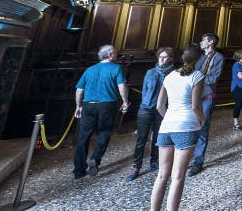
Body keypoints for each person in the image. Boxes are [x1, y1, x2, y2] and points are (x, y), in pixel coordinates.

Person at [150, 45, 205, 211]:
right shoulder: (197, 75)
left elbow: (159, 105)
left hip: (166, 126)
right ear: (199, 59)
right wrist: (202, 120)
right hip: (186, 126)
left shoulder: (169, 76)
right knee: (178, 176)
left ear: (182, 58)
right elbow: (195, 106)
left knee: (161, 175)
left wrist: (170, 117)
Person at [73, 45, 129, 179]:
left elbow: (79, 90)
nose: (117, 55)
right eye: (115, 53)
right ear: (110, 55)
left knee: (83, 137)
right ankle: (95, 158)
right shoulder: (116, 68)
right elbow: (122, 86)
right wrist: (125, 102)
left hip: (88, 105)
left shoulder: (89, 70)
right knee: (104, 132)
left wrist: (78, 106)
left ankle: (79, 170)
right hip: (107, 105)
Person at [126, 47, 174, 181]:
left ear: (170, 59)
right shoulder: (151, 72)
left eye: (164, 57)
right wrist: (146, 104)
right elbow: (145, 90)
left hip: (162, 109)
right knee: (141, 139)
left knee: (157, 138)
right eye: (160, 57)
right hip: (146, 108)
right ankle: (136, 166)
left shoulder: (173, 74)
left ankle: (154, 162)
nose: (161, 59)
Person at [189, 33, 224, 176]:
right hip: (194, 95)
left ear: (210, 42)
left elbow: (213, 77)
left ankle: (198, 161)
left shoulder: (218, 57)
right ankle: (186, 157)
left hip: (207, 95)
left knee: (203, 127)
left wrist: (197, 78)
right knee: (190, 125)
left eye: (203, 40)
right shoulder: (200, 56)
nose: (200, 42)